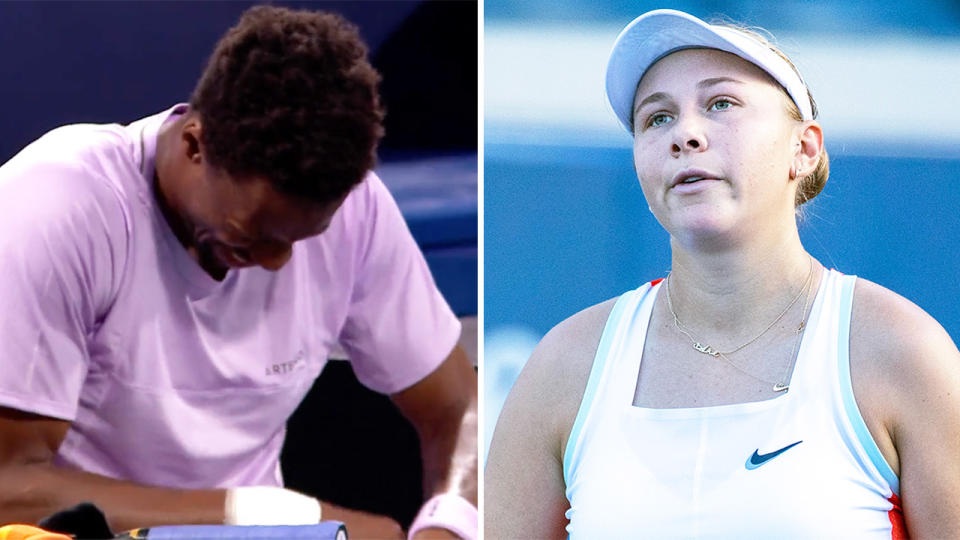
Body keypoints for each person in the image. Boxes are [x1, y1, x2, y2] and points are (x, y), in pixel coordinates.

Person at [0, 6, 477, 540]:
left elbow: (461, 409)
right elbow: (8, 489)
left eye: (302, 239)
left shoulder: (358, 212)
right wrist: (254, 515)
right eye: (253, 237)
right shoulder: (55, 206)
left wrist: (450, 524)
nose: (278, 262)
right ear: (195, 144)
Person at [485, 9, 960, 538]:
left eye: (721, 103)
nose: (685, 133)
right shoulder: (562, 367)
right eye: (657, 117)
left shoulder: (903, 351)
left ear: (803, 148)